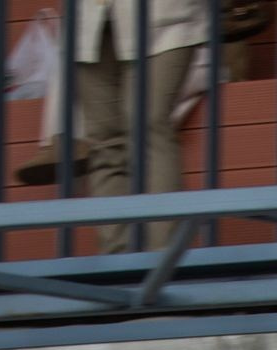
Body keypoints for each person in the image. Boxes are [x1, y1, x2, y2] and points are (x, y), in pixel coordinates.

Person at [75, 0, 207, 252]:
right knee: (104, 142)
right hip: (90, 21)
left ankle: (162, 257)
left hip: (165, 19)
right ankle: (119, 260)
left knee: (148, 124)